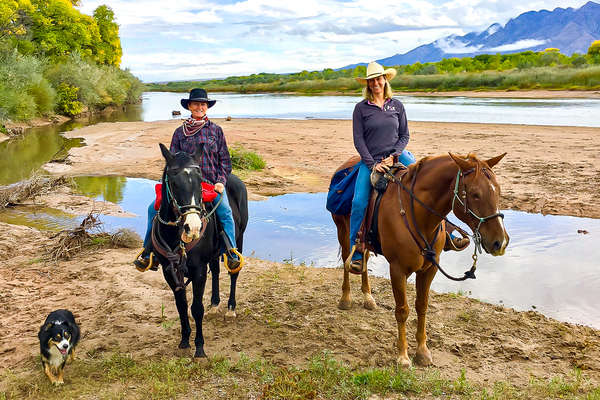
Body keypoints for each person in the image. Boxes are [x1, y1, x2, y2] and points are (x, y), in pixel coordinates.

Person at [134, 88, 242, 271]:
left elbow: (225, 161)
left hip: (209, 185)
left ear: (207, 107)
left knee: (225, 212)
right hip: (184, 186)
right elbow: (172, 162)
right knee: (152, 209)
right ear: (189, 106)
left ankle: (231, 252)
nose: (200, 107)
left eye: (203, 104)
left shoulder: (216, 131)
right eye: (196, 104)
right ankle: (148, 253)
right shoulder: (179, 133)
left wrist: (221, 182)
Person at [347, 61, 415, 272]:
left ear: (385, 80)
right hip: (371, 160)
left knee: (425, 180)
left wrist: (394, 156)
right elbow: (359, 141)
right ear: (367, 84)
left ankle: (447, 233)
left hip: (397, 156)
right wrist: (373, 164)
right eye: (372, 80)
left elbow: (405, 135)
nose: (376, 83)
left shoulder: (397, 105)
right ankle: (356, 252)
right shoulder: (360, 109)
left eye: (379, 79)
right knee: (358, 202)